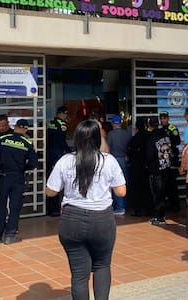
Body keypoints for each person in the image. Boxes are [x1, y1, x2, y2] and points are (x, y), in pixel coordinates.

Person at [46, 119, 126, 300]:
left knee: (79, 273)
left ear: (77, 138)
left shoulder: (66, 161)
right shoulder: (108, 161)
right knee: (102, 266)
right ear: (98, 138)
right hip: (102, 221)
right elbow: (121, 192)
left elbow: (50, 191)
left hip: (72, 220)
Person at [0, 119, 38, 245]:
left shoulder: (3, 138)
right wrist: (23, 168)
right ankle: (10, 235)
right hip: (18, 178)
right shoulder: (27, 143)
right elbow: (34, 163)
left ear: (15, 127)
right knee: (15, 206)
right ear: (26, 130)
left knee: (0, 205)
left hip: (3, 176)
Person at [145, 116, 173, 225]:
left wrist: (148, 165)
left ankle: (159, 217)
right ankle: (162, 215)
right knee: (163, 192)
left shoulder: (151, 138)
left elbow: (149, 156)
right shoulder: (165, 135)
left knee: (157, 194)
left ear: (149, 125)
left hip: (156, 170)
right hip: (166, 167)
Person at [46, 106, 72, 216]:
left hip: (48, 153)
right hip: (57, 154)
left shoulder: (51, 123)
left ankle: (48, 208)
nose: (66, 116)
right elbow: (62, 141)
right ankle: (55, 209)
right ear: (61, 114)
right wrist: (70, 152)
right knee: (57, 181)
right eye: (65, 113)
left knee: (49, 179)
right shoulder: (62, 125)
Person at [126, 117, 152, 216]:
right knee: (147, 188)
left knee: (136, 189)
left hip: (136, 167)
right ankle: (149, 209)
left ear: (136, 127)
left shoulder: (134, 139)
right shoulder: (149, 136)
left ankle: (137, 209)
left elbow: (130, 152)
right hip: (147, 166)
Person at [106, 115, 131, 215]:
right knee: (124, 182)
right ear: (121, 123)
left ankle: (120, 207)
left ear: (113, 124)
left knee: (116, 183)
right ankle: (124, 205)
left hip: (114, 160)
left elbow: (108, 148)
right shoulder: (127, 133)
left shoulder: (110, 134)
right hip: (124, 159)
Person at [160, 111, 182, 213]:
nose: (162, 120)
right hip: (163, 159)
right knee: (164, 184)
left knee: (172, 183)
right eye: (161, 118)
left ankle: (175, 205)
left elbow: (177, 141)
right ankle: (167, 203)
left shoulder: (172, 129)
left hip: (172, 159)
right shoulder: (160, 130)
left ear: (168, 119)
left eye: (164, 118)